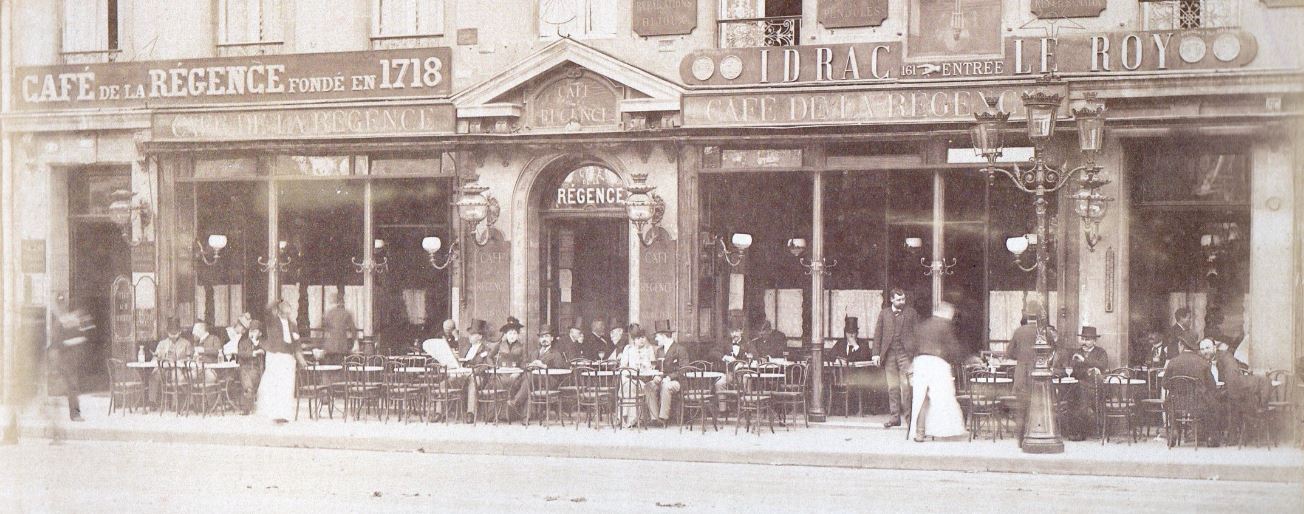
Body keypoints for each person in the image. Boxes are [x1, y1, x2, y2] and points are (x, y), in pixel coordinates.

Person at [907, 302, 967, 442]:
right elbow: (953, 347)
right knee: (944, 396)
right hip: (937, 363)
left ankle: (919, 433)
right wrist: (962, 358)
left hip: (920, 362)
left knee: (921, 399)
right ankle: (946, 431)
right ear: (947, 314)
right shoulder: (945, 326)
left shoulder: (923, 325)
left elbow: (911, 345)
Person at [1164, 338, 1224, 446]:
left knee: (1169, 401)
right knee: (1215, 404)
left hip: (1177, 404)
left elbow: (1164, 384)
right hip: (1198, 404)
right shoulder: (1202, 363)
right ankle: (1211, 436)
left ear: (1181, 345)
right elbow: (1212, 386)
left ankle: (1174, 429)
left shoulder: (1173, 362)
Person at [259, 300, 308, 424]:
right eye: (284, 312)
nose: (287, 315)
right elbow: (267, 309)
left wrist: (300, 358)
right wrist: (278, 302)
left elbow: (297, 342)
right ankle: (274, 414)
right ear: (279, 311)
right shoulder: (272, 321)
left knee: (287, 385)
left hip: (288, 357)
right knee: (275, 385)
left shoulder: (293, 325)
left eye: (289, 312)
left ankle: (284, 414)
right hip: (275, 356)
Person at [875, 289, 918, 429]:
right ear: (892, 300)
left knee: (906, 388)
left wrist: (915, 354)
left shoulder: (911, 313)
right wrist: (876, 354)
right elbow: (878, 334)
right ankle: (894, 417)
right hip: (889, 355)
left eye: (903, 299)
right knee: (892, 386)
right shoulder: (884, 313)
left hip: (905, 355)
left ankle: (909, 420)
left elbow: (917, 334)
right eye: (899, 299)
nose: (902, 302)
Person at [49, 294, 92, 422]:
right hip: (64, 359)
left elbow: (83, 334)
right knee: (71, 387)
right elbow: (57, 343)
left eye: (63, 304)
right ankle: (74, 415)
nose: (62, 306)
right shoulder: (60, 322)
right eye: (60, 304)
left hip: (70, 359)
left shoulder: (69, 320)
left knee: (71, 387)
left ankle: (74, 414)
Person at [1006, 299, 1042, 439]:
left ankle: (1020, 439)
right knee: (1039, 407)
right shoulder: (1043, 332)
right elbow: (1052, 351)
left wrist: (1021, 358)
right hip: (1038, 376)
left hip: (1021, 375)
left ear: (1026, 315)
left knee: (1021, 408)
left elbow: (1009, 353)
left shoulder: (1019, 331)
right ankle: (1037, 435)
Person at [646, 323, 690, 427]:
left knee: (666, 386)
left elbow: (684, 369)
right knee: (649, 386)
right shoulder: (659, 351)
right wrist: (655, 376)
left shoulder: (680, 349)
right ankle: (654, 418)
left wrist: (670, 377)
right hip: (662, 380)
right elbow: (657, 368)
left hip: (677, 382)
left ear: (664, 336)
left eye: (657, 336)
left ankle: (663, 418)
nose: (656, 339)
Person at [618, 328, 658, 427]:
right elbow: (622, 367)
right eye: (639, 338)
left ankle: (628, 419)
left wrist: (646, 368)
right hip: (630, 378)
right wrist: (630, 372)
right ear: (634, 340)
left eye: (643, 337)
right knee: (628, 385)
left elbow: (653, 367)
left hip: (643, 380)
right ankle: (626, 418)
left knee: (631, 387)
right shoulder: (628, 349)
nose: (642, 340)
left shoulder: (649, 350)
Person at [232, 320, 266, 415]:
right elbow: (240, 354)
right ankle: (247, 407)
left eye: (255, 331)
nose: (252, 333)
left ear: (260, 333)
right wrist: (254, 353)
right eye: (251, 331)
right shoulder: (243, 342)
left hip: (258, 370)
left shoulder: (263, 343)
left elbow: (265, 351)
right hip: (245, 369)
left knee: (252, 380)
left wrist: (256, 345)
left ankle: (248, 404)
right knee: (248, 383)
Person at [322, 292, 358, 363]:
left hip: (329, 346)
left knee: (329, 369)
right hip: (341, 346)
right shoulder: (346, 313)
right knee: (340, 367)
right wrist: (356, 342)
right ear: (342, 302)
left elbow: (325, 326)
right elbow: (353, 329)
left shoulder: (329, 313)